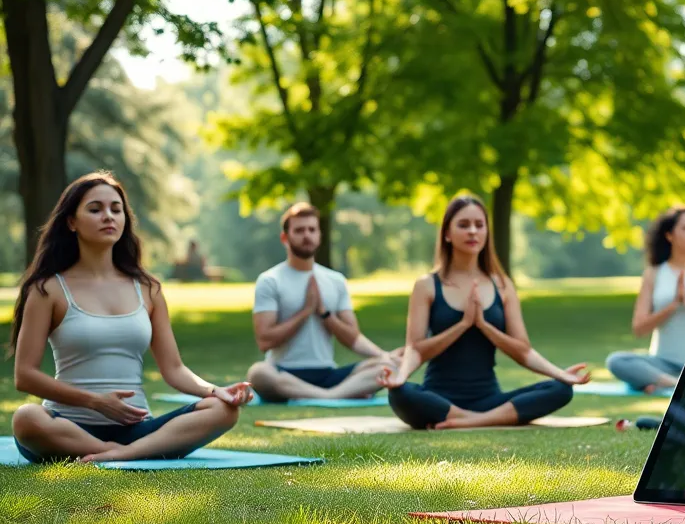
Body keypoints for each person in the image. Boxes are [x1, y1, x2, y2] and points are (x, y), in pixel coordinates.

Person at [8, 172, 251, 464]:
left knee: (223, 410)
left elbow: (174, 369)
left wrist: (216, 391)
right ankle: (119, 452)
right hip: (67, 427)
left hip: (137, 429)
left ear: (125, 219)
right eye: (95, 209)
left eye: (116, 209)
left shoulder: (148, 289)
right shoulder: (47, 289)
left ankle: (122, 454)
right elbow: (25, 376)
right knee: (26, 418)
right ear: (71, 222)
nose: (108, 216)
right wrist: (95, 402)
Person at [378, 194, 591, 429]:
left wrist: (484, 326)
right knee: (400, 393)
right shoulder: (427, 285)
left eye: (479, 225)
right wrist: (462, 324)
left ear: (486, 233)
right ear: (447, 234)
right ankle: (471, 417)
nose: (472, 231)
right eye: (463, 225)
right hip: (438, 399)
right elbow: (416, 350)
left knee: (560, 389)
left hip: (489, 400)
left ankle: (470, 420)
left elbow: (523, 351)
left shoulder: (502, 285)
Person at [246, 202, 400, 402]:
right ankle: (336, 395)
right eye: (299, 230)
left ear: (320, 236)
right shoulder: (270, 280)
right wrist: (305, 312)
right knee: (258, 374)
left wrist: (325, 314)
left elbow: (352, 337)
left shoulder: (335, 280)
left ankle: (329, 394)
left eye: (312, 229)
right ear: (285, 238)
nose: (306, 235)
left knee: (388, 368)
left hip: (328, 374)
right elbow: (265, 341)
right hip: (285, 373)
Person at [605, 206, 685, 393]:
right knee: (616, 361)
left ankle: (655, 385)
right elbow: (639, 328)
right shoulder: (654, 273)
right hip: (662, 363)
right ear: (669, 235)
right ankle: (674, 383)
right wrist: (673, 305)